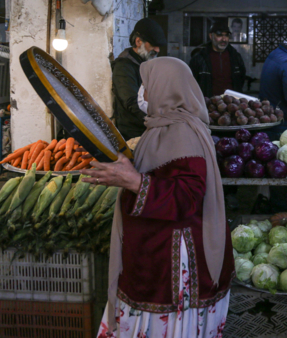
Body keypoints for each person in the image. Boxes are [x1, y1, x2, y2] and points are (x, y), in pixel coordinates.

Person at [85, 57, 234, 338]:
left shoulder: (182, 131)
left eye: (147, 84)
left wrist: (133, 181)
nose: (143, 91)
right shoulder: (164, 127)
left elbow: (188, 196)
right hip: (159, 245)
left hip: (174, 260)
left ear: (166, 87)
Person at [112, 18, 167, 140]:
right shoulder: (124, 66)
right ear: (138, 41)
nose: (157, 50)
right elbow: (131, 101)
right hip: (133, 132)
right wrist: (156, 120)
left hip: (147, 128)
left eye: (158, 46)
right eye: (153, 45)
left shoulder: (146, 63)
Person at [189, 21, 246, 97]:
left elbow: (241, 79)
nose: (224, 39)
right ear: (211, 36)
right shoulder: (199, 58)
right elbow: (191, 83)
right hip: (208, 104)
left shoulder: (236, 57)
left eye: (226, 35)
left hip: (231, 105)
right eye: (219, 35)